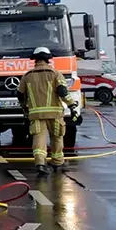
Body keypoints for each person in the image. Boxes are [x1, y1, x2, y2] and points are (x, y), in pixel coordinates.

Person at [16, 47, 79, 175]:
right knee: (57, 137)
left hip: (36, 115)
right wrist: (72, 105)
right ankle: (57, 161)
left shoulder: (27, 76)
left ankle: (40, 163)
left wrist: (24, 107)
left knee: (39, 138)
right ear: (48, 59)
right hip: (55, 114)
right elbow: (63, 92)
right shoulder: (56, 74)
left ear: (35, 60)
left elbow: (20, 95)